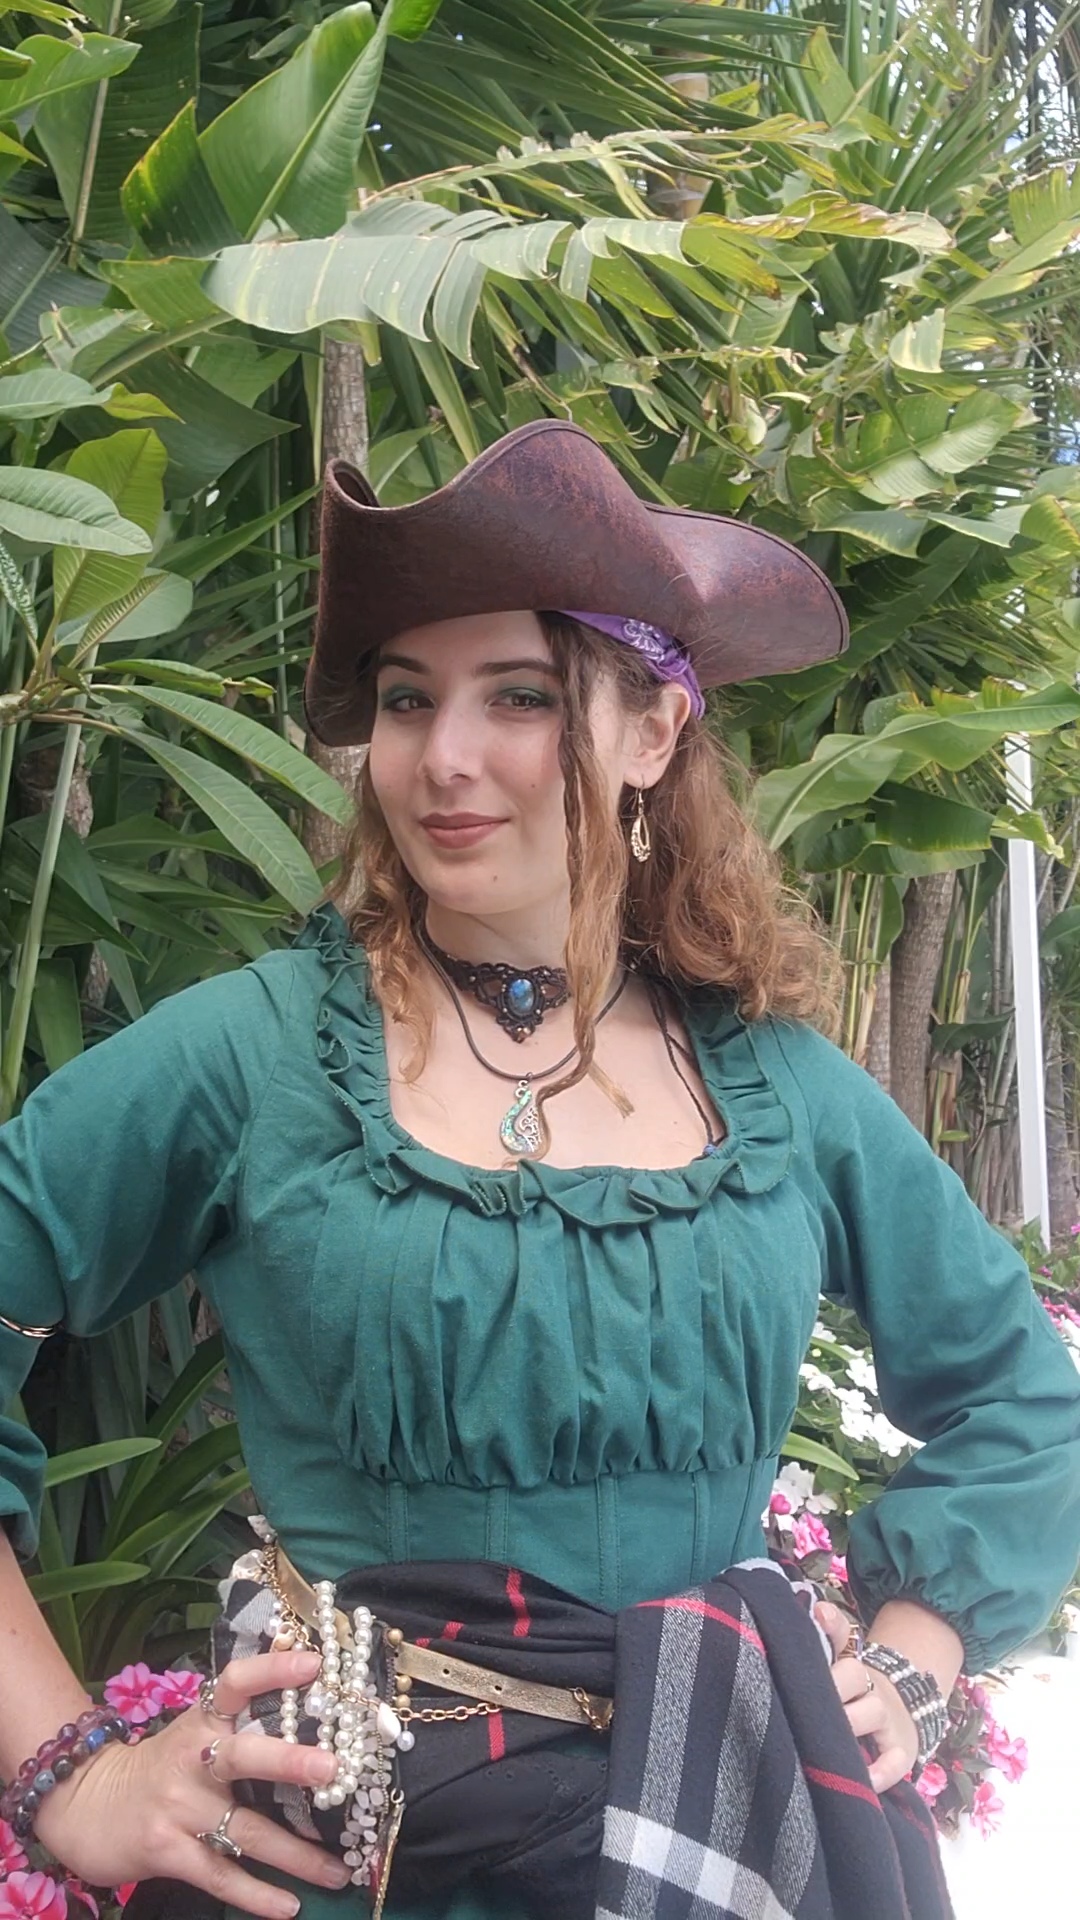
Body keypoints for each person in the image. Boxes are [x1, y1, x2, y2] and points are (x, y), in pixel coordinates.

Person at [0, 419, 1077, 1920]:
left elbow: (1023, 1394)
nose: (444, 757)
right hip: (346, 1862)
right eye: (406, 698)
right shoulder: (257, 1057)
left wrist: (915, 1654)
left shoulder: (777, 1090)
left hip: (724, 1834)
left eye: (519, 694)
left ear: (654, 734)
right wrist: (67, 1767)